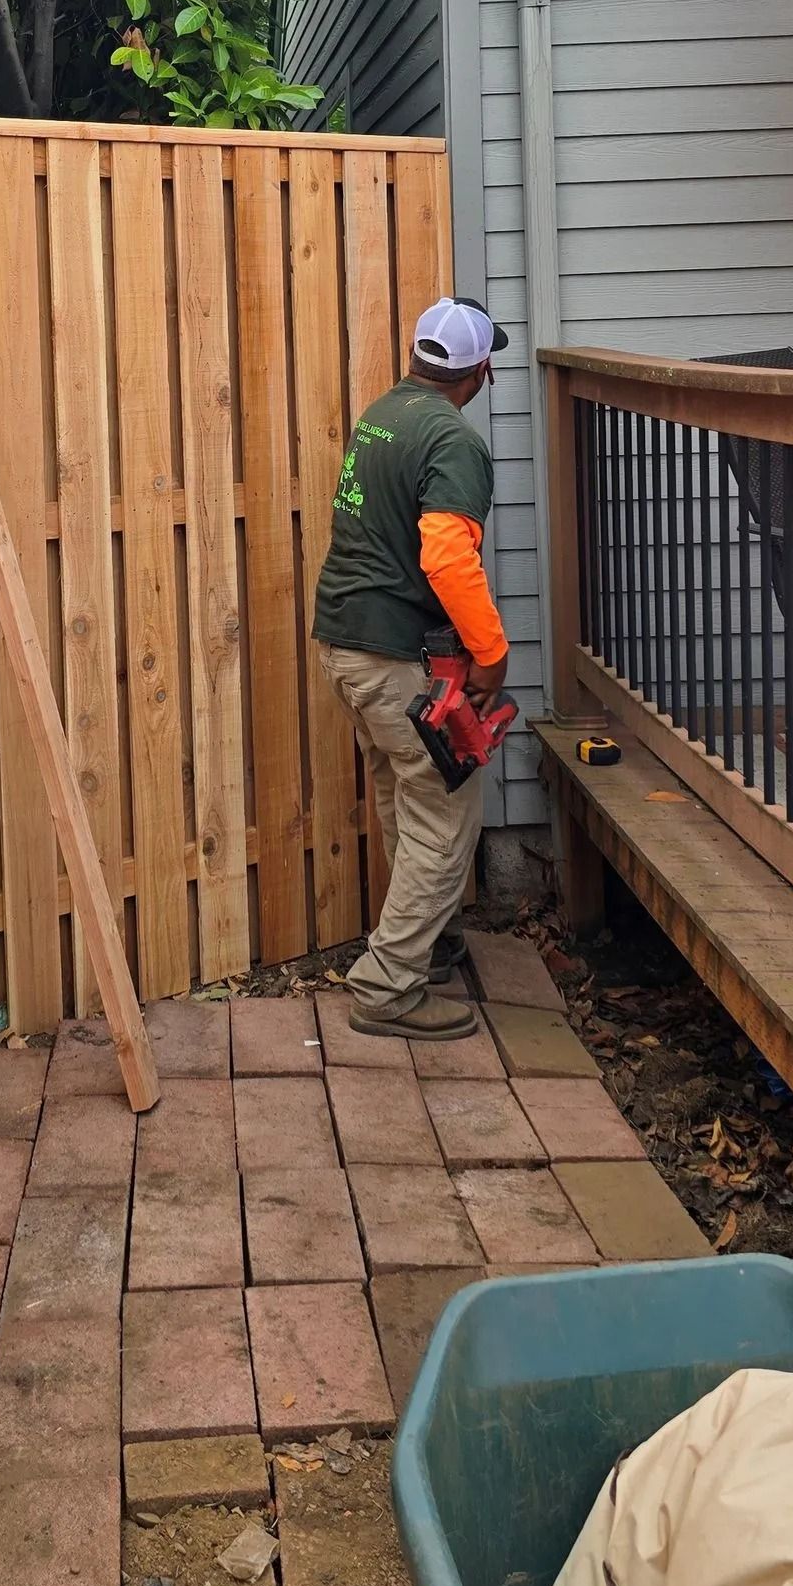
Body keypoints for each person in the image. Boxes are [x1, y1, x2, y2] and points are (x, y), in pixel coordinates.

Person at [313, 297, 510, 1040]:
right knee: (445, 813)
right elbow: (446, 556)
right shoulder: (453, 441)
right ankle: (389, 985)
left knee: (404, 796)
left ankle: (423, 945)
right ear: (481, 371)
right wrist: (491, 653)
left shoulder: (383, 414)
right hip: (394, 656)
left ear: (421, 355)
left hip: (343, 645)